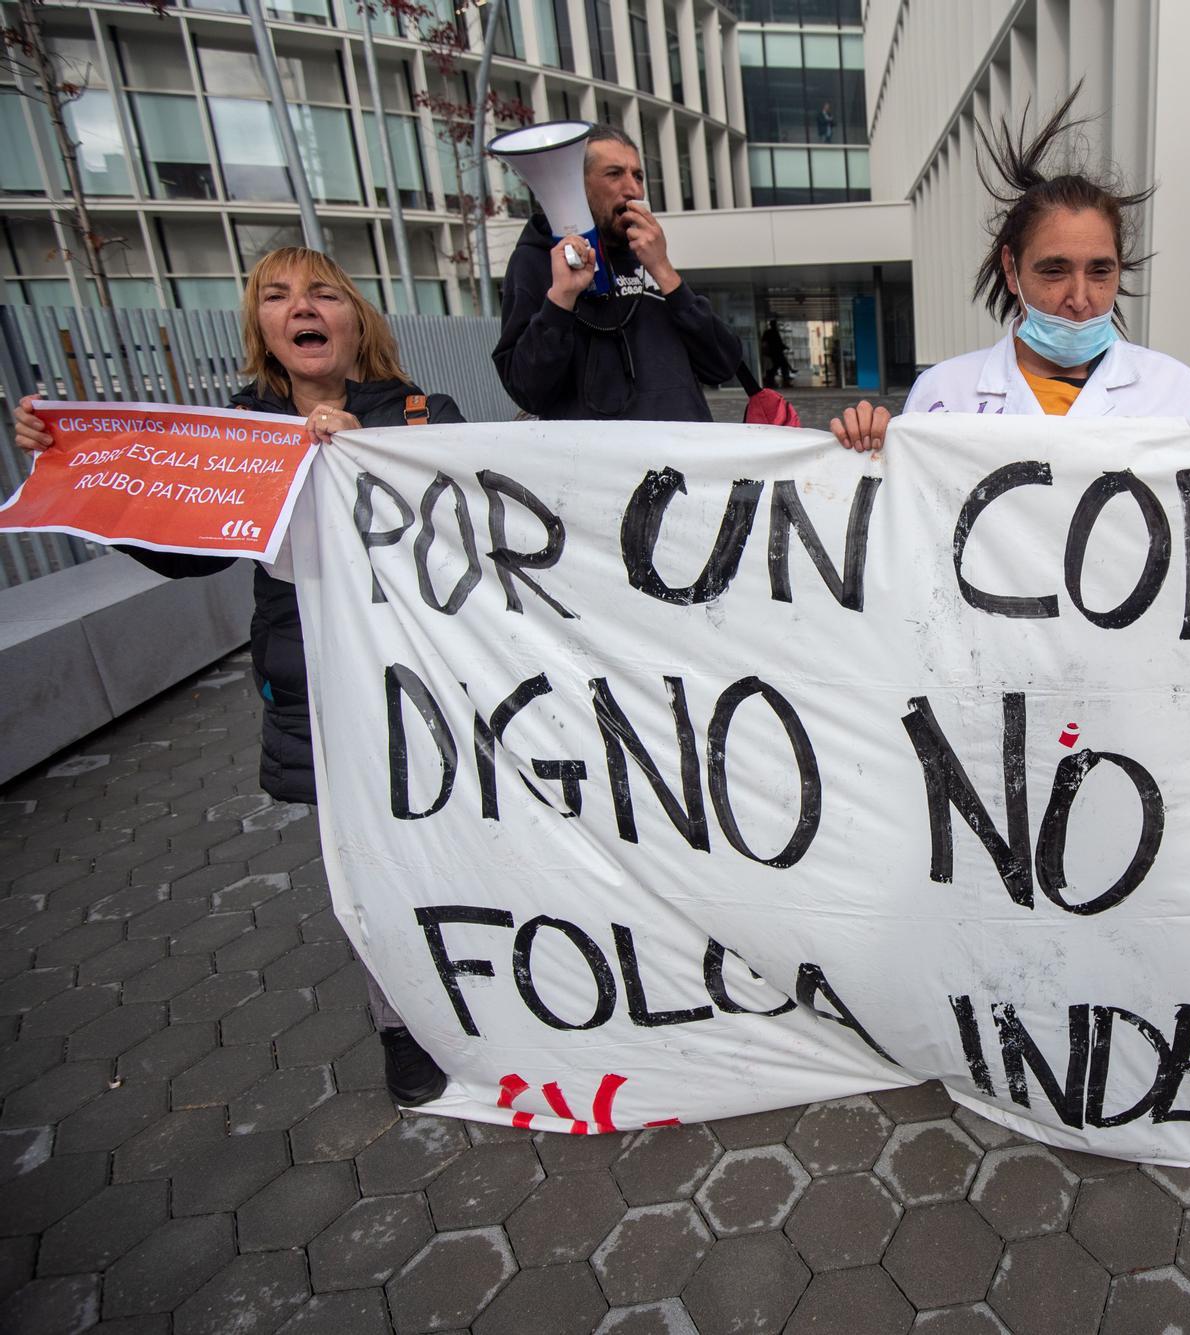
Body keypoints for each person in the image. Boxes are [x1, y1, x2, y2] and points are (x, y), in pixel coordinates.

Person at [12, 247, 462, 1106]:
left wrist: (372, 457)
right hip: (314, 686)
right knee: (363, 865)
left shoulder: (419, 411)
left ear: (354, 316)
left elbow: (458, 522)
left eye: (324, 292)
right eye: (278, 296)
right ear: (261, 325)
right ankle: (402, 1026)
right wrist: (73, 466)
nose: (303, 307)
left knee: (447, 846)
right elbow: (185, 554)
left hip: (423, 676)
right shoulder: (238, 434)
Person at [830, 86, 1190, 452]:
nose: (1079, 300)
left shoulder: (1182, 396)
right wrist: (869, 452)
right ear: (1011, 269)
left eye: (1100, 272)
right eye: (1054, 272)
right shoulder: (943, 395)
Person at [493, 123, 742, 422]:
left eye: (637, 175)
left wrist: (663, 271)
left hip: (681, 458)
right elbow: (527, 389)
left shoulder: (648, 256)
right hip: (599, 462)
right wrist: (561, 300)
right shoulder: (535, 261)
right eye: (614, 174)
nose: (633, 189)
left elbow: (722, 364)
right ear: (576, 184)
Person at [761, 318, 797, 388]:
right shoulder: (771, 332)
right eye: (775, 324)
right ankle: (782, 381)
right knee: (780, 366)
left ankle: (774, 381)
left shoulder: (770, 332)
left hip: (775, 353)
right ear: (773, 325)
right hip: (775, 353)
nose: (776, 326)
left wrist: (784, 347)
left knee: (779, 367)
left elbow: (777, 343)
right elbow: (775, 343)